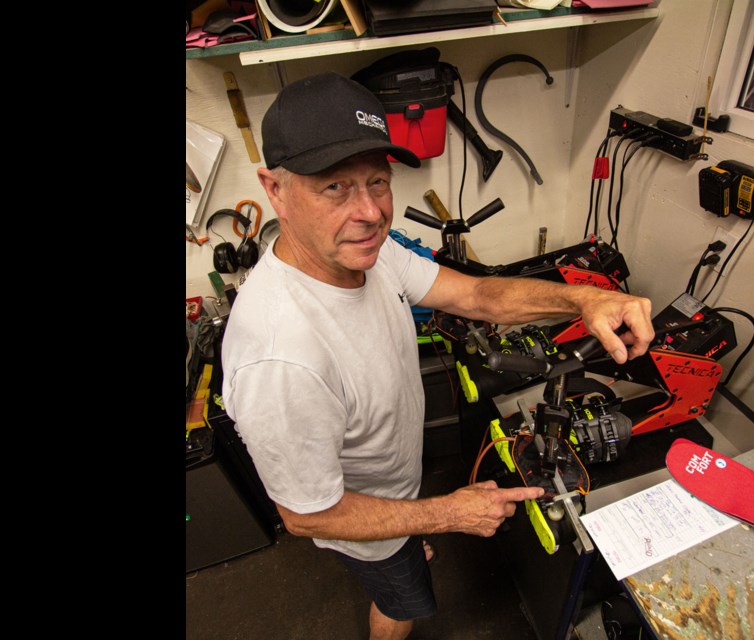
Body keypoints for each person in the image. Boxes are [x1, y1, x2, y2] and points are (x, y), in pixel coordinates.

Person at [220, 72, 656, 640]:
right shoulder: (280, 358)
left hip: (393, 483)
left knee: (406, 546)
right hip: (356, 517)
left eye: (378, 181)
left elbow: (476, 294)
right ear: (274, 189)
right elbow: (307, 514)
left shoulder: (366, 255)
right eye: (335, 188)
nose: (372, 212)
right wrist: (449, 513)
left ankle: (407, 539)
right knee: (405, 603)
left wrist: (585, 297)